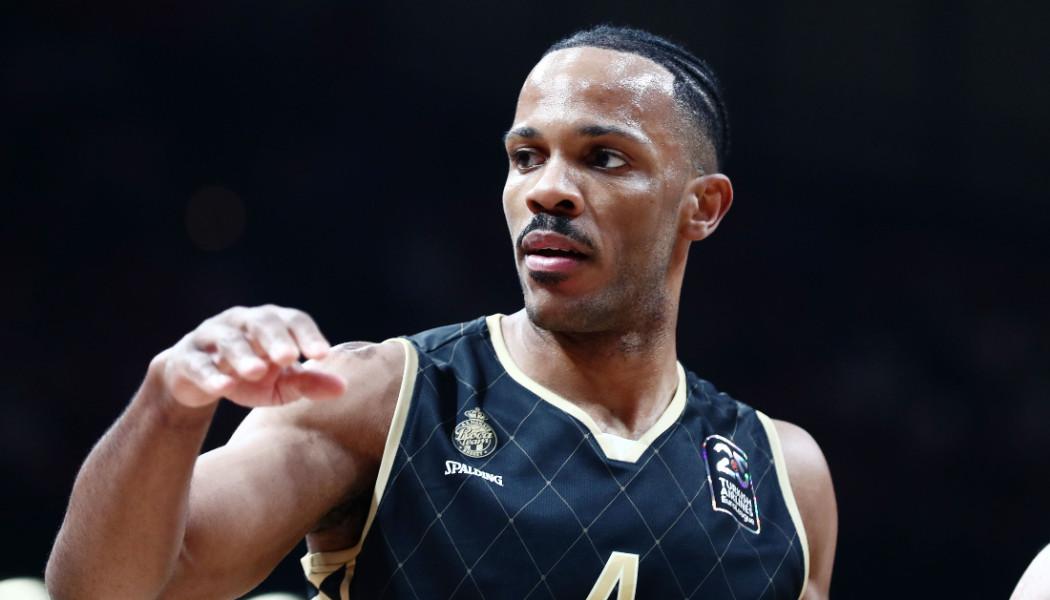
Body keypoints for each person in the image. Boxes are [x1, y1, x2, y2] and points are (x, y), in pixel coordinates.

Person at [45, 25, 837, 600]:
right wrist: (170, 404)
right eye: (526, 157)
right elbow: (105, 592)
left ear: (703, 207)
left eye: (603, 158)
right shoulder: (382, 397)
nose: (548, 190)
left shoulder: (784, 477)